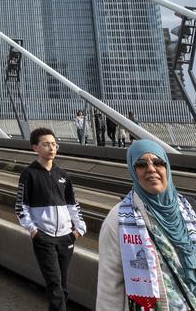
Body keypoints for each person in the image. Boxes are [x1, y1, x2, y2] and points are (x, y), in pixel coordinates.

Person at [97, 140, 196, 310]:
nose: (151, 168)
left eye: (158, 162)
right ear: (133, 171)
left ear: (167, 168)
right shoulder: (118, 220)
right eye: (142, 164)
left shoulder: (189, 208)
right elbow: (109, 286)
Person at [15, 127, 86, 311]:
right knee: (54, 284)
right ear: (35, 148)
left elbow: (73, 205)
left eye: (54, 144)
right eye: (46, 144)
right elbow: (21, 206)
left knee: (62, 285)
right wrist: (34, 231)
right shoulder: (29, 174)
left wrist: (78, 229)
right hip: (44, 237)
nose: (51, 148)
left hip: (66, 237)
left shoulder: (63, 175)